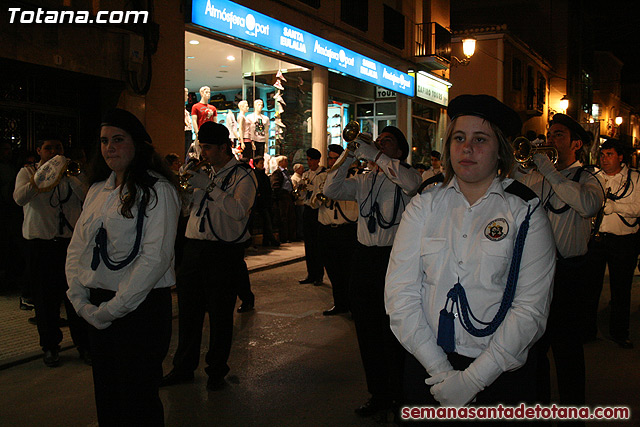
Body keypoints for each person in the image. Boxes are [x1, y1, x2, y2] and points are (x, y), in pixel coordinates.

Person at [385, 94, 555, 413]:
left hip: (500, 377)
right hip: (428, 368)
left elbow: (529, 309)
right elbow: (401, 295)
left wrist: (473, 381)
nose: (467, 148)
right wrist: (441, 371)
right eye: (459, 138)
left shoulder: (526, 213)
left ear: (500, 150)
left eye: (480, 139)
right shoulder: (424, 206)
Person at [65, 108, 180, 426]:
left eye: (118, 139)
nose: (109, 147)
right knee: (108, 398)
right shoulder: (96, 191)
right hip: (98, 304)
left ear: (139, 145)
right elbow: (77, 248)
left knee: (138, 402)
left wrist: (110, 311)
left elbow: (154, 259)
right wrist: (78, 298)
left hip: (139, 309)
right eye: (104, 141)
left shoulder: (159, 191)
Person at [323, 125, 422, 417]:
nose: (378, 145)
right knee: (367, 331)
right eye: (377, 142)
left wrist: (375, 154)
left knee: (395, 332)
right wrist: (348, 157)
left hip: (396, 260)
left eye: (386, 142)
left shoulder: (407, 175)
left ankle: (402, 397)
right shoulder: (363, 180)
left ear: (399, 151)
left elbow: (412, 183)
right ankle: (378, 394)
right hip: (364, 258)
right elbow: (330, 188)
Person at [517, 113, 604, 409]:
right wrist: (520, 164)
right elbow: (509, 188)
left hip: (568, 273)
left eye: (558, 135)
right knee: (534, 349)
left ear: (576, 143)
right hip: (535, 274)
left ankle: (573, 411)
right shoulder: (537, 175)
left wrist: (550, 173)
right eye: (549, 134)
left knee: (567, 350)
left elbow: (588, 205)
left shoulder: (587, 178)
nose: (550, 139)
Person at [162, 121, 257, 391]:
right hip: (194, 247)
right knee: (189, 313)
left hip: (223, 251)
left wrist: (211, 188)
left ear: (224, 147)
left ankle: (217, 370)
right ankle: (183, 367)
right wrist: (182, 191)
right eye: (201, 147)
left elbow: (239, 211)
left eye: (207, 148)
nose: (202, 153)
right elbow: (186, 211)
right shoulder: (204, 171)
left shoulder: (243, 176)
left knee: (219, 314)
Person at [14, 137, 90, 367]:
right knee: (45, 301)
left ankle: (84, 346)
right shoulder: (27, 172)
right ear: (39, 151)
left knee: (76, 296)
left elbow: (88, 197)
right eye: (48, 148)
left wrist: (70, 176)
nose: (54, 152)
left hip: (70, 245)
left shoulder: (74, 172)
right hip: (41, 245)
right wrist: (45, 176)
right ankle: (50, 346)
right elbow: (19, 198)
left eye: (58, 148)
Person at [584, 138, 639, 349]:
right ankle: (587, 330)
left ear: (620, 157)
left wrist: (615, 207)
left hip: (623, 240)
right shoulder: (593, 177)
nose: (605, 159)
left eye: (610, 155)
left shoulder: (634, 178)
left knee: (621, 290)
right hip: (597, 240)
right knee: (590, 289)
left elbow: (638, 206)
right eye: (603, 155)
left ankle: (619, 332)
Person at [317, 145, 358, 315]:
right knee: (333, 270)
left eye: (336, 158)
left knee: (348, 271)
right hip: (327, 229)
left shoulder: (355, 178)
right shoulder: (323, 177)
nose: (332, 161)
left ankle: (353, 305)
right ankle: (339, 303)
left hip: (346, 229)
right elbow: (314, 201)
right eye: (330, 158)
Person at [299, 148, 326, 286]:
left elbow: (321, 193)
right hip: (307, 210)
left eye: (312, 160)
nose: (309, 162)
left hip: (317, 211)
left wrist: (312, 190)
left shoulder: (323, 174)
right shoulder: (306, 174)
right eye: (308, 160)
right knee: (308, 244)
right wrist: (302, 189)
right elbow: (302, 194)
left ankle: (319, 275)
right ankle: (311, 273)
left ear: (317, 160)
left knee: (317, 244)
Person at [254, 156, 279, 247]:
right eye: (260, 163)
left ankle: (267, 239)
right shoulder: (255, 175)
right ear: (256, 164)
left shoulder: (263, 175)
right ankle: (270, 238)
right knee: (266, 219)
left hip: (266, 201)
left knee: (268, 220)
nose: (262, 165)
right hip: (260, 202)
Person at [270, 155, 296, 243]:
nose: (287, 163)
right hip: (282, 197)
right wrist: (280, 194)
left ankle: (290, 235)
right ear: (280, 162)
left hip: (288, 196)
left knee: (290, 217)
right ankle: (284, 237)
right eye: (285, 161)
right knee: (283, 217)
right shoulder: (277, 173)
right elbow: (275, 185)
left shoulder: (286, 172)